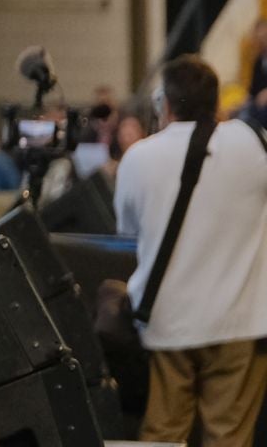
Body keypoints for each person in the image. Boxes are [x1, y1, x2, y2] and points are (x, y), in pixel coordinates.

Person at [114, 56, 267, 447]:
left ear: (165, 102)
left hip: (167, 323)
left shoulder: (138, 158)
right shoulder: (250, 143)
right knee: (229, 437)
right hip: (239, 324)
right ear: (216, 102)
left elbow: (127, 230)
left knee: (163, 436)